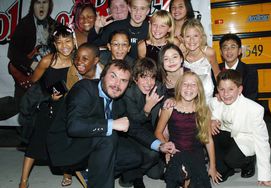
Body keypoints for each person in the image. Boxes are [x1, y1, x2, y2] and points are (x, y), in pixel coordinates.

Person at [47, 60, 176, 188]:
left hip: (93, 142)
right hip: (67, 146)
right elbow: (74, 126)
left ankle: (91, 172)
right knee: (109, 137)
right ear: (103, 75)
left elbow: (133, 127)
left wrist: (160, 145)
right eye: (113, 76)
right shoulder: (84, 88)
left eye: (124, 80)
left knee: (135, 156)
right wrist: (112, 124)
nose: (117, 84)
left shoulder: (118, 99)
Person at [19, 25, 75, 188]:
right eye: (59, 42)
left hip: (69, 108)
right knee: (35, 143)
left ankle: (67, 173)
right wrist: (48, 95)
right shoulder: (47, 60)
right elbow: (34, 83)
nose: (65, 45)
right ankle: (23, 181)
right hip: (49, 106)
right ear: (54, 44)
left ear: (73, 41)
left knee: (67, 142)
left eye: (68, 41)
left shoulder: (77, 60)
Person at [209, 70, 271, 188]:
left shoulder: (254, 109)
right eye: (222, 89)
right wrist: (211, 120)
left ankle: (249, 162)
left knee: (232, 159)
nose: (226, 94)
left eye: (231, 89)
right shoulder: (215, 102)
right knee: (212, 131)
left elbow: (262, 142)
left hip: (245, 140)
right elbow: (207, 111)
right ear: (217, 89)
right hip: (227, 136)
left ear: (240, 89)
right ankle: (226, 169)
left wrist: (265, 176)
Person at [155, 71, 221, 187]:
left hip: (196, 154)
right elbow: (158, 132)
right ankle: (183, 177)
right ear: (179, 87)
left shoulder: (203, 110)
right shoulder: (170, 107)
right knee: (180, 172)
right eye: (185, 84)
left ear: (199, 89)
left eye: (193, 84)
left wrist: (212, 166)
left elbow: (208, 140)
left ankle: (188, 181)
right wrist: (166, 146)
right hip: (176, 152)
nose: (189, 87)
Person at [0, 0, 58, 120]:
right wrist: (30, 65)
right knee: (20, 105)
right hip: (26, 72)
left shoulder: (55, 25)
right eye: (38, 2)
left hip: (48, 74)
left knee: (56, 99)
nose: (41, 6)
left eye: (44, 2)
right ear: (32, 6)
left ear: (50, 6)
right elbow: (13, 53)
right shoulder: (25, 24)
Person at [120, 58, 166, 187]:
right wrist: (147, 109)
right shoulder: (129, 93)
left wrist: (171, 100)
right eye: (144, 77)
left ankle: (135, 173)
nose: (148, 83)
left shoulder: (158, 87)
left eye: (152, 77)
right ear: (135, 79)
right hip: (131, 135)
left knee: (156, 174)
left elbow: (166, 96)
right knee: (152, 153)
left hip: (151, 131)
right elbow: (134, 124)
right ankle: (133, 176)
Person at [182, 18, 220, 103]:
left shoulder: (209, 53)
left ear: (201, 37)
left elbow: (217, 73)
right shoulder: (180, 54)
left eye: (195, 36)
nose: (192, 40)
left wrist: (221, 92)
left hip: (206, 97)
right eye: (188, 36)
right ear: (183, 38)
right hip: (186, 96)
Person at [219, 33, 258, 101]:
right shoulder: (215, 70)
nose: (229, 51)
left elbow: (251, 98)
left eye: (233, 47)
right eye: (225, 48)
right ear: (221, 52)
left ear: (239, 51)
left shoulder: (250, 72)